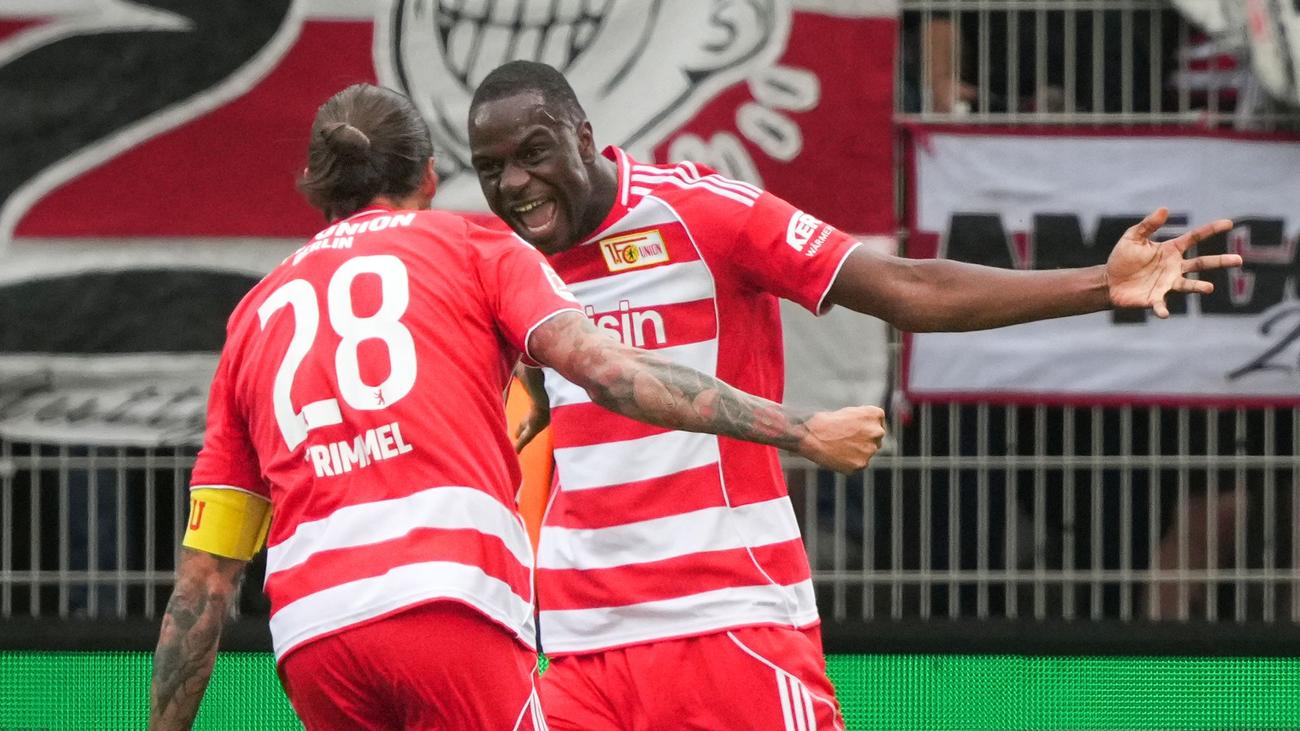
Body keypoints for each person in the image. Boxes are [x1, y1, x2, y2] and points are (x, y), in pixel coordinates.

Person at [465, 60, 1243, 730]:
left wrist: (1099, 284)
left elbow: (909, 288)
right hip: (579, 642)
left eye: (532, 153)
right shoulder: (509, 261)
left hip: (725, 618)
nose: (515, 184)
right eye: (492, 168)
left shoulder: (702, 213)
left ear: (583, 134)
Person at [146, 83, 885, 731]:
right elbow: (610, 372)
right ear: (429, 175)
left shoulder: (254, 316)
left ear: (315, 186)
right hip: (447, 605)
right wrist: (801, 431)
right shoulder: (474, 246)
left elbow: (203, 582)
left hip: (313, 635)